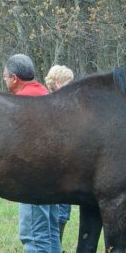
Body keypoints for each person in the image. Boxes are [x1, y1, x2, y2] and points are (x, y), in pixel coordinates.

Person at [4, 54, 64, 253]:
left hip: (34, 176)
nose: (4, 81)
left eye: (5, 77)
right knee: (50, 229)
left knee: (33, 230)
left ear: (15, 79)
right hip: (55, 175)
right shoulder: (45, 94)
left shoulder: (22, 104)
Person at [45, 65, 75, 242]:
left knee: (62, 214)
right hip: (56, 169)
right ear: (57, 83)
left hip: (66, 169)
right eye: (68, 83)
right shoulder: (52, 106)